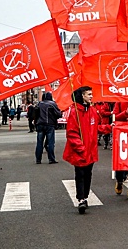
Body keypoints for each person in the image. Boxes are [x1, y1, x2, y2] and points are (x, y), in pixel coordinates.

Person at [63, 86, 99, 214]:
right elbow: (72, 133)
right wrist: (81, 148)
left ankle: (85, 196)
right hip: (80, 151)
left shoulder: (92, 110)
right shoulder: (75, 112)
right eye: (89, 94)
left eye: (91, 94)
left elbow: (97, 127)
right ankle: (81, 199)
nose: (91, 96)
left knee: (88, 174)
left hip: (90, 151)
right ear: (82, 96)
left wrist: (110, 127)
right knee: (80, 174)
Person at [35, 92, 62, 164]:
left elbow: (35, 114)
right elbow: (58, 114)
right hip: (49, 125)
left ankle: (38, 159)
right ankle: (51, 159)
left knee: (39, 142)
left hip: (40, 124)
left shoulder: (39, 104)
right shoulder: (52, 104)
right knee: (50, 142)